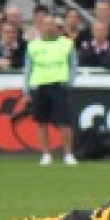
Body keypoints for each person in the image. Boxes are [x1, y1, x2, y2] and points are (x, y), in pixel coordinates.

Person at [24, 11, 78, 167]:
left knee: (65, 122)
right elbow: (28, 69)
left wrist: (69, 83)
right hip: (39, 85)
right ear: (40, 27)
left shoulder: (66, 44)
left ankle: (68, 154)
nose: (48, 27)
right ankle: (46, 154)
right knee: (41, 122)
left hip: (59, 86)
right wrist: (26, 90)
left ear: (56, 27)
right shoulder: (33, 45)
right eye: (45, 24)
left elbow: (73, 66)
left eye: (51, 24)